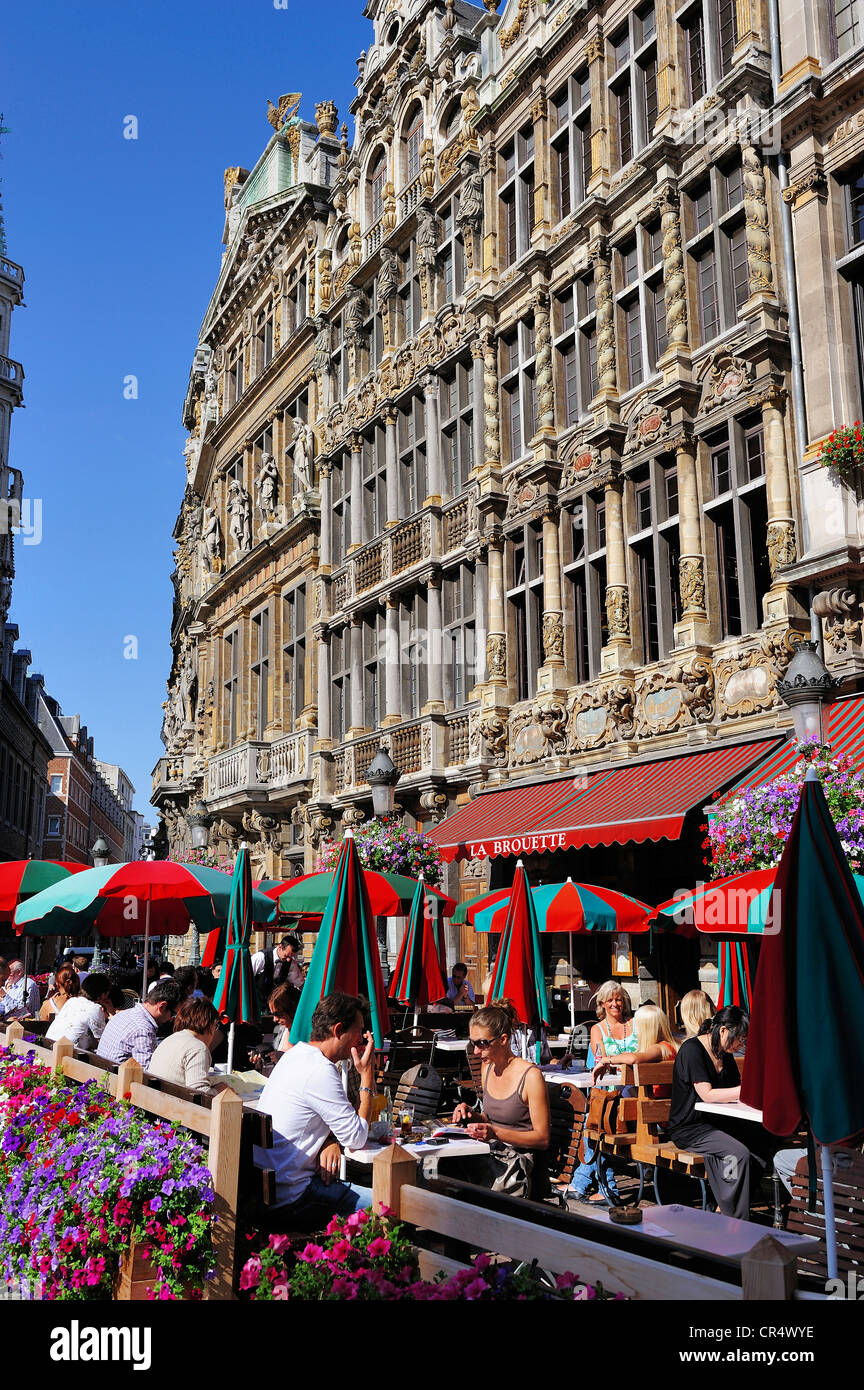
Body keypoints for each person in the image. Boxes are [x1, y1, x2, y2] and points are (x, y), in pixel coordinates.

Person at [255, 991, 376, 1228]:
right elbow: (356, 1137)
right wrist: (367, 1077)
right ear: (338, 1030)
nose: (361, 1040)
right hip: (293, 1198)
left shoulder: (294, 1056)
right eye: (359, 1031)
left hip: (270, 1189)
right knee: (388, 1204)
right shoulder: (320, 1070)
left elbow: (306, 1119)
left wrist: (327, 1141)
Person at [668, 1005, 774, 1220]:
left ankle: (725, 1205)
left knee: (763, 1143)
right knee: (737, 1154)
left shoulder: (723, 1053)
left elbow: (732, 1090)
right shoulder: (692, 1050)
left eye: (743, 1040)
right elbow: (707, 1094)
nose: (740, 1044)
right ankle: (733, 1213)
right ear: (723, 1030)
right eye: (739, 1039)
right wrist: (749, 1089)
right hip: (691, 1127)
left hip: (719, 1122)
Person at [452, 1000, 551, 1200]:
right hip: (492, 1153)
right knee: (436, 1170)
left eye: (482, 1043)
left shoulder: (530, 1076)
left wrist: (495, 1133)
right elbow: (490, 1119)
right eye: (473, 1043)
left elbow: (542, 1139)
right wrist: (471, 1115)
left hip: (518, 1164)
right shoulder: (487, 1067)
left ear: (503, 1039)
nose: (476, 1051)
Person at [568, 981, 637, 1204]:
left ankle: (584, 1184)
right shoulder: (597, 1029)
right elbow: (598, 1063)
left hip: (634, 1096)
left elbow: (640, 1055)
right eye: (610, 1000)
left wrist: (615, 1062)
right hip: (609, 1095)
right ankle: (603, 1189)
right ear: (602, 1004)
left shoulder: (635, 1024)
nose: (615, 1003)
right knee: (595, 1123)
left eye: (618, 999)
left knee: (593, 1125)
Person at [594, 1003, 678, 1095]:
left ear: (644, 1029)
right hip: (662, 1098)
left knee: (625, 1091)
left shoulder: (659, 1048)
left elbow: (633, 1059)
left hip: (654, 1102)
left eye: (636, 1025)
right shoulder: (671, 1045)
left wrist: (606, 1060)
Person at [96, 979, 181, 1068]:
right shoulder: (143, 1029)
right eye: (173, 1014)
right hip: (115, 1079)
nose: (172, 1018)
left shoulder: (124, 1014)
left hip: (102, 1074)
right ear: (162, 1006)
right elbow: (146, 1072)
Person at [148, 997, 223, 1094]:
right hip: (173, 1105)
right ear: (208, 1024)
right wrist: (220, 1090)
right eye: (215, 1026)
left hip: (155, 1100)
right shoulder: (198, 1048)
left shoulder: (171, 1039)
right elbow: (200, 1093)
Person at [46, 972, 112, 1050]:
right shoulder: (95, 1009)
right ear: (103, 995)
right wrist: (112, 1015)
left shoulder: (72, 1001)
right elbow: (103, 1041)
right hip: (67, 1053)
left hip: (49, 1045)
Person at [250, 982, 302, 1072]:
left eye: (278, 1014)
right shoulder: (282, 1029)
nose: (274, 1019)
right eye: (272, 1014)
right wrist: (263, 1057)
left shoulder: (308, 1035)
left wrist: (284, 1058)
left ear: (292, 1010)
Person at [252, 935, 305, 1005]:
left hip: (274, 1004)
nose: (288, 959)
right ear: (280, 947)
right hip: (255, 1002)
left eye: (291, 957)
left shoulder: (291, 963)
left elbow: (300, 984)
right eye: (287, 956)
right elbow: (245, 978)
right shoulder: (260, 957)